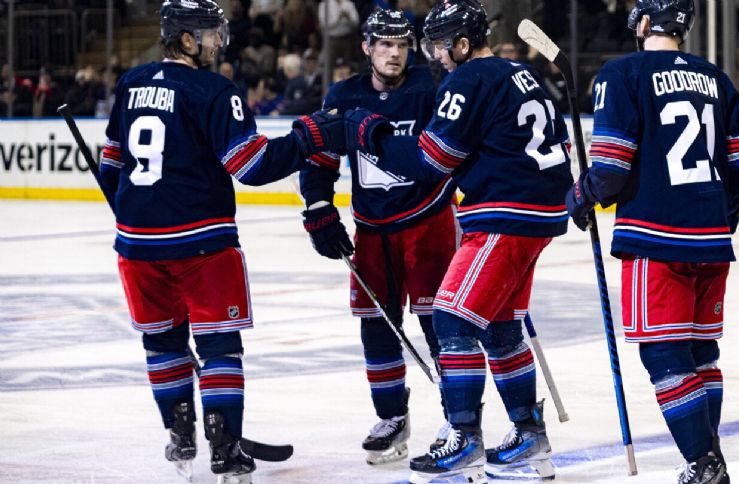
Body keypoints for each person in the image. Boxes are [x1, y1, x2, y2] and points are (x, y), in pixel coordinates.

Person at [97, 1, 369, 482]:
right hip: (202, 243)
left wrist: (135, 213)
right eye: (208, 34)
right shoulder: (215, 90)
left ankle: (180, 438)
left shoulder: (131, 82)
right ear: (185, 40)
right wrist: (310, 136)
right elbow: (252, 166)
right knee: (219, 347)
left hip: (137, 245)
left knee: (162, 345)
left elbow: (112, 165)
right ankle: (225, 450)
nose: (218, 41)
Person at [341, 1, 573, 482]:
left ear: (463, 44)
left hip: (504, 214)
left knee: (451, 317)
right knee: (500, 325)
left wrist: (372, 134)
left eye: (441, 46)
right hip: (537, 212)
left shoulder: (468, 80)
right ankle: (529, 436)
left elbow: (432, 161)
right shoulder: (521, 73)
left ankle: (463, 439)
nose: (437, 57)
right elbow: (560, 146)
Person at [566, 1, 739, 483]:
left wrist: (581, 195)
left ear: (645, 24)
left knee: (664, 354)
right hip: (711, 240)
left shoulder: (621, 73)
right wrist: (720, 220)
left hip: (655, 237)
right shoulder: (717, 79)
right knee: (700, 352)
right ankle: (706, 457)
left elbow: (610, 168)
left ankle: (704, 463)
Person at [299, 8, 457, 466]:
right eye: (385, 44)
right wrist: (319, 209)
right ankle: (392, 417)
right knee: (377, 326)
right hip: (372, 232)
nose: (394, 53)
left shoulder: (430, 87)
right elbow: (320, 160)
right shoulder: (344, 95)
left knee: (439, 326)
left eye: (402, 45)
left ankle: (459, 418)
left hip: (429, 223)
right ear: (367, 47)